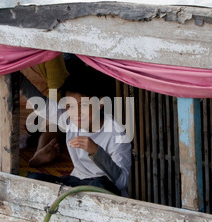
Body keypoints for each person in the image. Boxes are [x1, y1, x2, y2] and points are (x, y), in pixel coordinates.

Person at [21, 61, 132, 196]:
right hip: (76, 183)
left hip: (103, 191)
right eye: (70, 106)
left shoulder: (117, 133)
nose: (77, 113)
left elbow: (122, 181)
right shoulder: (71, 121)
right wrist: (16, 77)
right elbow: (43, 105)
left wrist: (96, 152)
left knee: (100, 185)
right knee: (33, 180)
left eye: (83, 105)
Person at [0, 54, 70, 167]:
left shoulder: (49, 53)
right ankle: (29, 140)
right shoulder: (6, 52)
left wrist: (40, 116)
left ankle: (39, 153)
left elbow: (56, 90)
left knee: (55, 121)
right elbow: (1, 83)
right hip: (18, 105)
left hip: (45, 104)